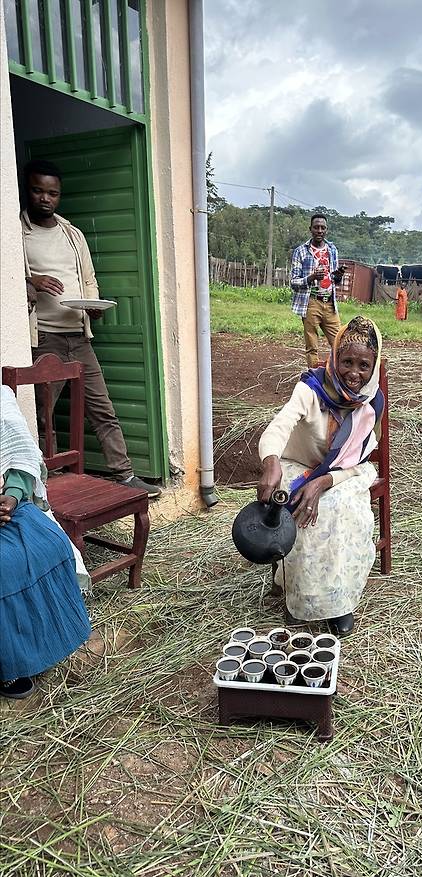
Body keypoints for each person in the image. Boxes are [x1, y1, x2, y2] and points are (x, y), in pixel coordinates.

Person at [21, 159, 160, 498]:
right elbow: (8, 280)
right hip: (45, 339)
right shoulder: (14, 233)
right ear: (28, 190)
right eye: (38, 190)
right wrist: (31, 280)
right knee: (42, 415)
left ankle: (124, 475)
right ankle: (39, 480)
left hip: (78, 336)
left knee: (102, 408)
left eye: (52, 193)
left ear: (59, 195)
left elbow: (88, 280)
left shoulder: (72, 233)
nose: (45, 198)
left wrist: (92, 307)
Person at [257, 315, 385, 636]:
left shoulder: (371, 404)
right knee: (299, 500)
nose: (354, 374)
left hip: (344, 473)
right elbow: (279, 426)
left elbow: (359, 460)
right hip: (298, 464)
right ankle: (299, 596)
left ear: (374, 366)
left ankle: (340, 602)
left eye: (363, 366)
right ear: (334, 357)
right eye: (347, 362)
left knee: (341, 506)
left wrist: (324, 481)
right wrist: (271, 461)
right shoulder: (311, 389)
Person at [1, 386, 92, 699]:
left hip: (6, 509)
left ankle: (44, 644)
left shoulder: (0, 400)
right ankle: (9, 668)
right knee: (5, 565)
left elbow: (21, 458)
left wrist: (12, 496)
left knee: (50, 542)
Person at [290, 213, 346, 368]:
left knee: (339, 343)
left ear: (326, 230)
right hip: (311, 302)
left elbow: (334, 280)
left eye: (323, 228)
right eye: (316, 227)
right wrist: (312, 276)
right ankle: (314, 379)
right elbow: (293, 282)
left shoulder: (332, 250)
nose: (319, 230)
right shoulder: (301, 251)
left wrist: (339, 275)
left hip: (330, 303)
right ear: (310, 229)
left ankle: (336, 377)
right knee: (312, 346)